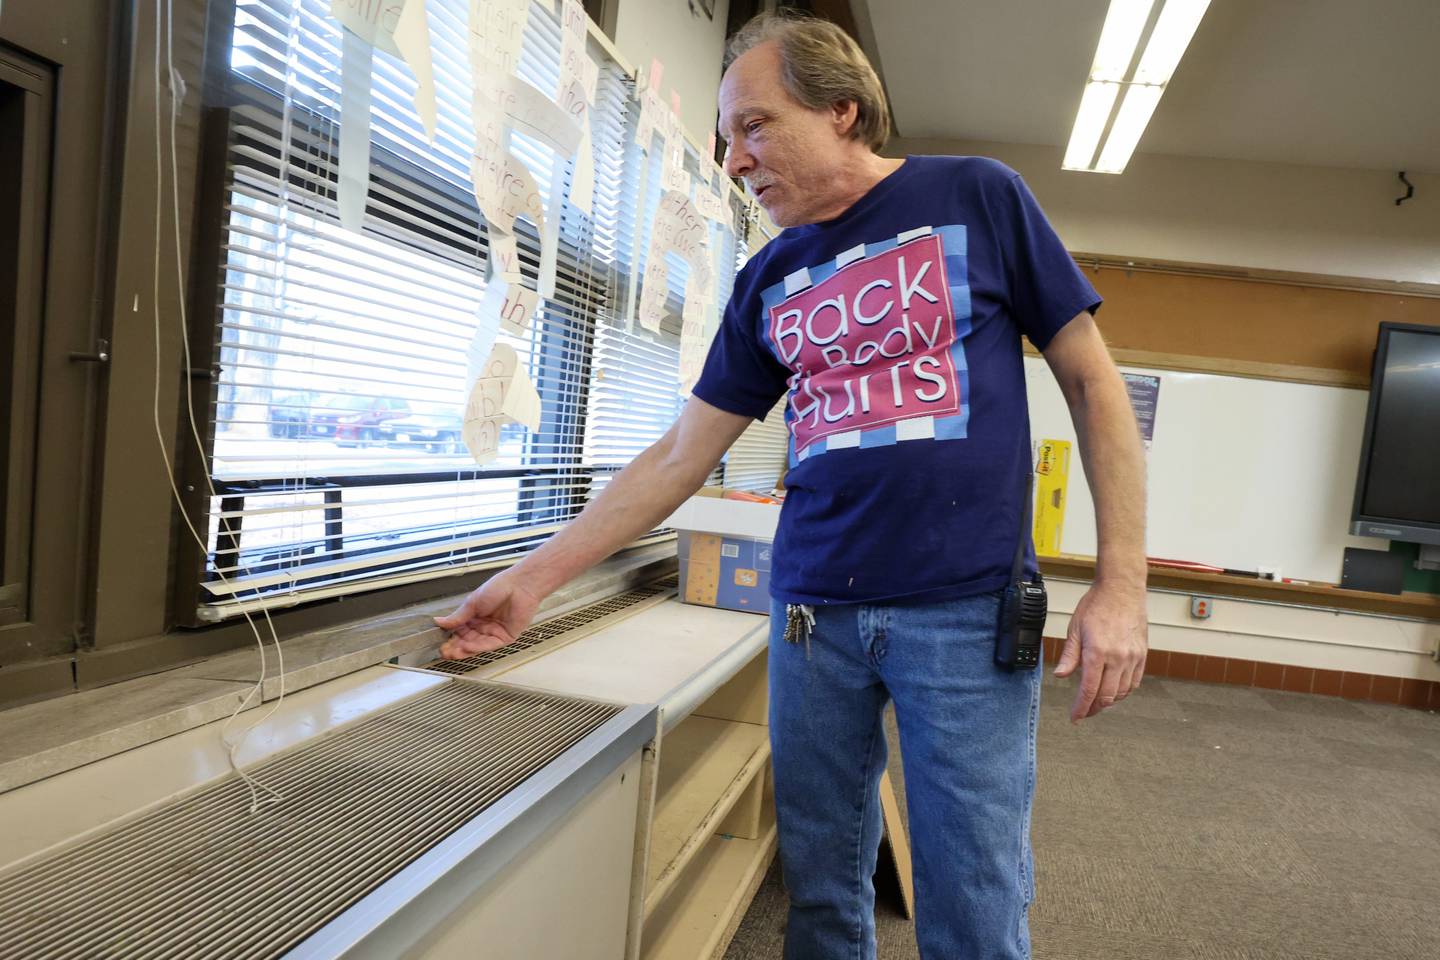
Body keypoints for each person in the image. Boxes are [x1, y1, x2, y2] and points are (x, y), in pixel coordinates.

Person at [438, 11, 1148, 959]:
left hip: (965, 612)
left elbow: (1094, 383)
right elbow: (677, 455)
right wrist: (533, 578)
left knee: (973, 901)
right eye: (729, 140)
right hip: (813, 615)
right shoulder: (769, 275)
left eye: (755, 127)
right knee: (819, 890)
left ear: (843, 111)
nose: (734, 161)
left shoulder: (978, 196)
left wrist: (1124, 584)